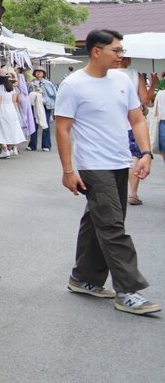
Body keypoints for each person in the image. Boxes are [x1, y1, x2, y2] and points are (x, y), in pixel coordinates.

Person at [56, 29, 159, 315]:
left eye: (121, 49)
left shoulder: (122, 80)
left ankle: (83, 278)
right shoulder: (73, 85)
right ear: (96, 51)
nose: (121, 55)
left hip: (120, 161)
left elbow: (137, 119)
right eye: (116, 50)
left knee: (97, 220)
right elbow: (62, 129)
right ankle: (127, 290)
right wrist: (68, 170)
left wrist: (145, 153)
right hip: (93, 165)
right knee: (113, 226)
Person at [118, 56, 150, 205]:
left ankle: (115, 192)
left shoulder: (105, 73)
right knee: (134, 156)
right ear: (127, 59)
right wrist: (153, 83)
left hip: (112, 124)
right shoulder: (135, 75)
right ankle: (133, 193)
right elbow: (145, 99)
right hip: (132, 122)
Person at [0, 72, 24, 159]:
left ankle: (5, 149)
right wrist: (15, 111)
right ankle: (9, 149)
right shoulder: (11, 87)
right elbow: (14, 101)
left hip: (2, 109)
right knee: (11, 129)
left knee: (1, 129)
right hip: (11, 109)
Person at [27, 68, 56, 151]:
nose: (39, 73)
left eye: (41, 72)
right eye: (37, 71)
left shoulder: (48, 83)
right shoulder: (31, 83)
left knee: (46, 124)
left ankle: (46, 145)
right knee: (33, 125)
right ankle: (32, 145)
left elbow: (54, 94)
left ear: (44, 74)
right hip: (34, 105)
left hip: (45, 105)